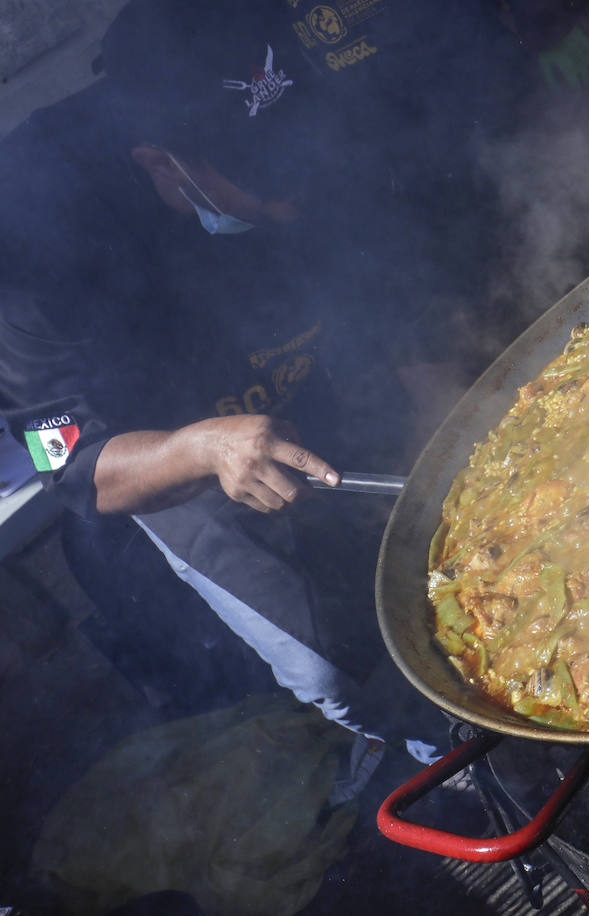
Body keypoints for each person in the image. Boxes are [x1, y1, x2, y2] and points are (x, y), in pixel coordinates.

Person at [0, 0, 550, 766]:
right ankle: (466, 769)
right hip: (178, 461)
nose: (294, 195)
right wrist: (202, 448)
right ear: (160, 162)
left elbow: (395, 275)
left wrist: (453, 420)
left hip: (324, 367)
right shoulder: (30, 241)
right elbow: (72, 463)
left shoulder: (317, 94)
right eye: (259, 176)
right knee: (344, 665)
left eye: (297, 155)